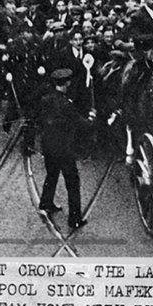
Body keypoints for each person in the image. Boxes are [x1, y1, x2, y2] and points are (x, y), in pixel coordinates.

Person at [31, 68, 95, 230]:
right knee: (72, 182)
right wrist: (91, 118)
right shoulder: (66, 104)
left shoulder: (46, 99)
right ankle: (74, 219)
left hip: (48, 146)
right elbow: (82, 124)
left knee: (51, 175)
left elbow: (38, 119)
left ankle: (46, 203)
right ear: (67, 83)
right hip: (64, 149)